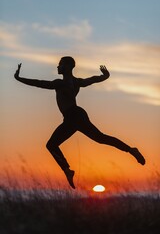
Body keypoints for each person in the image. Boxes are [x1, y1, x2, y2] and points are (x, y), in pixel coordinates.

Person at [14, 57, 145, 189]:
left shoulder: (59, 83)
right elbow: (93, 79)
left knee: (51, 145)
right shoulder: (77, 82)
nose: (58, 67)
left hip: (73, 116)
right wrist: (105, 76)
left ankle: (67, 170)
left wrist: (19, 78)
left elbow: (39, 83)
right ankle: (131, 150)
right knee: (100, 138)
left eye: (60, 65)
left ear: (68, 66)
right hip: (76, 116)